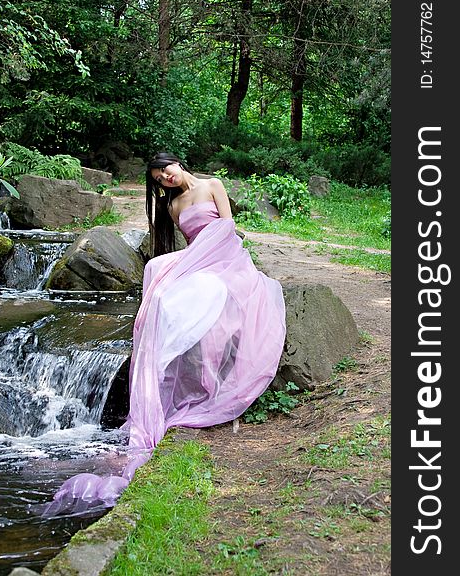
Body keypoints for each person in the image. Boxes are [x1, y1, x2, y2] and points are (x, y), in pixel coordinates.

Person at [41, 152, 286, 514]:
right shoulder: (173, 207)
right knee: (156, 267)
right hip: (198, 262)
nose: (165, 179)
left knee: (169, 274)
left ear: (178, 163)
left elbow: (227, 231)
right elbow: (186, 245)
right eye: (158, 178)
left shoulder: (212, 186)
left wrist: (197, 263)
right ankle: (157, 346)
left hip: (226, 260)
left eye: (165, 171)